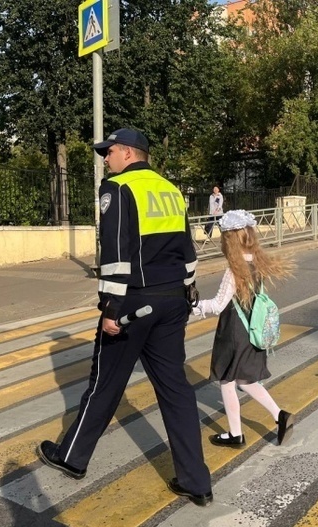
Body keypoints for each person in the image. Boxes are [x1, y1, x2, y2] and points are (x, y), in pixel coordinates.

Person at [37, 128, 213, 507]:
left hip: (133, 302)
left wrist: (111, 309)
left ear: (129, 154)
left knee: (105, 384)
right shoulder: (170, 189)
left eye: (109, 151)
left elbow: (116, 251)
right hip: (173, 300)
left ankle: (71, 458)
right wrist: (188, 290)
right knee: (176, 389)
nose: (105, 159)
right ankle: (196, 481)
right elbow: (188, 246)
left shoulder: (117, 189)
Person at [193, 209, 295, 447]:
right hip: (252, 331)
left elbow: (218, 305)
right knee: (245, 381)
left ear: (230, 240)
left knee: (227, 382)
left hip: (234, 333)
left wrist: (193, 306)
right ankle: (280, 415)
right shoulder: (258, 263)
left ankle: (235, 434)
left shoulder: (234, 270)